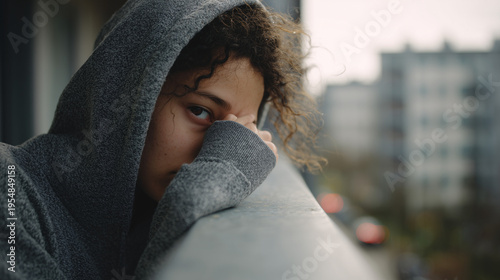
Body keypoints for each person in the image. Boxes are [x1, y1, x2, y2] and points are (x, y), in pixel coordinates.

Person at [0, 0, 324, 279]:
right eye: (199, 111)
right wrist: (192, 200)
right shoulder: (9, 191)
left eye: (241, 132)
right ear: (128, 93)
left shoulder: (149, 215)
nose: (219, 154)